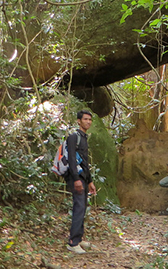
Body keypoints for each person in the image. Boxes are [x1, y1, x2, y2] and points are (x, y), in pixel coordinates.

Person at [65, 109, 97, 254]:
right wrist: (76, 179)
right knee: (78, 208)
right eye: (85, 119)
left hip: (83, 178)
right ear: (79, 121)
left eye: (90, 119)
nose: (88, 122)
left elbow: (85, 162)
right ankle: (72, 242)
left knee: (82, 207)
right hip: (76, 178)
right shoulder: (73, 137)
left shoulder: (84, 137)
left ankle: (79, 238)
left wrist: (90, 181)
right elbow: (71, 159)